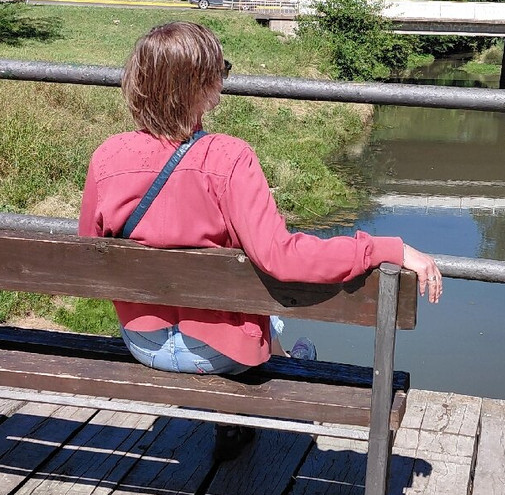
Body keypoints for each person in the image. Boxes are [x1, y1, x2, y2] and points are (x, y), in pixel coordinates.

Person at [78, 21, 443, 381]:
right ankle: (291, 363)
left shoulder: (107, 156)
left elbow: (89, 251)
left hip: (143, 342)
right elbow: (282, 258)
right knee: (265, 317)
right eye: (220, 71)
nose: (223, 79)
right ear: (201, 86)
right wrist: (382, 249)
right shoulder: (229, 158)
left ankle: (278, 363)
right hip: (218, 354)